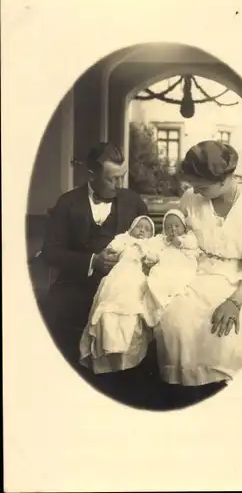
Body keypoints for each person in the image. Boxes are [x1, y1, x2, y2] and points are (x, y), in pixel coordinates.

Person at [154, 140, 242, 405]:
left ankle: (222, 398)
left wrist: (234, 303)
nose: (194, 190)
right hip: (194, 272)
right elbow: (177, 230)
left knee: (223, 333)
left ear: (225, 179)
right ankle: (184, 395)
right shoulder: (191, 198)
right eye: (193, 184)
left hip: (238, 283)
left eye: (202, 186)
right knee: (175, 319)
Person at [40, 142, 151, 375]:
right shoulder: (68, 203)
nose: (120, 185)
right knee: (53, 313)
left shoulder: (132, 201)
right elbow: (50, 252)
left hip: (124, 285)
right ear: (91, 174)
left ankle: (129, 380)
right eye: (113, 179)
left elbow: (150, 242)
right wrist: (91, 261)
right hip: (79, 283)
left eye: (122, 177)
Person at [79, 215, 155, 374]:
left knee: (131, 308)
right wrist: (113, 251)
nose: (142, 230)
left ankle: (126, 355)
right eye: (139, 226)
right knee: (108, 306)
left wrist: (149, 261)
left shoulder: (150, 245)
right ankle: (107, 350)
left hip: (137, 276)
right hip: (118, 274)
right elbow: (111, 249)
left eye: (147, 229)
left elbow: (154, 258)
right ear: (131, 228)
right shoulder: (123, 239)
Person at [142, 209, 202, 327]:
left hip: (182, 266)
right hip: (165, 267)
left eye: (176, 226)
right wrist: (150, 258)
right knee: (157, 281)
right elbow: (153, 249)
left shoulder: (188, 238)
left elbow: (193, 243)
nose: (173, 229)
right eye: (169, 227)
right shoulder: (162, 240)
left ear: (184, 227)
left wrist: (179, 243)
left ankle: (168, 299)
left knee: (179, 281)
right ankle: (158, 306)